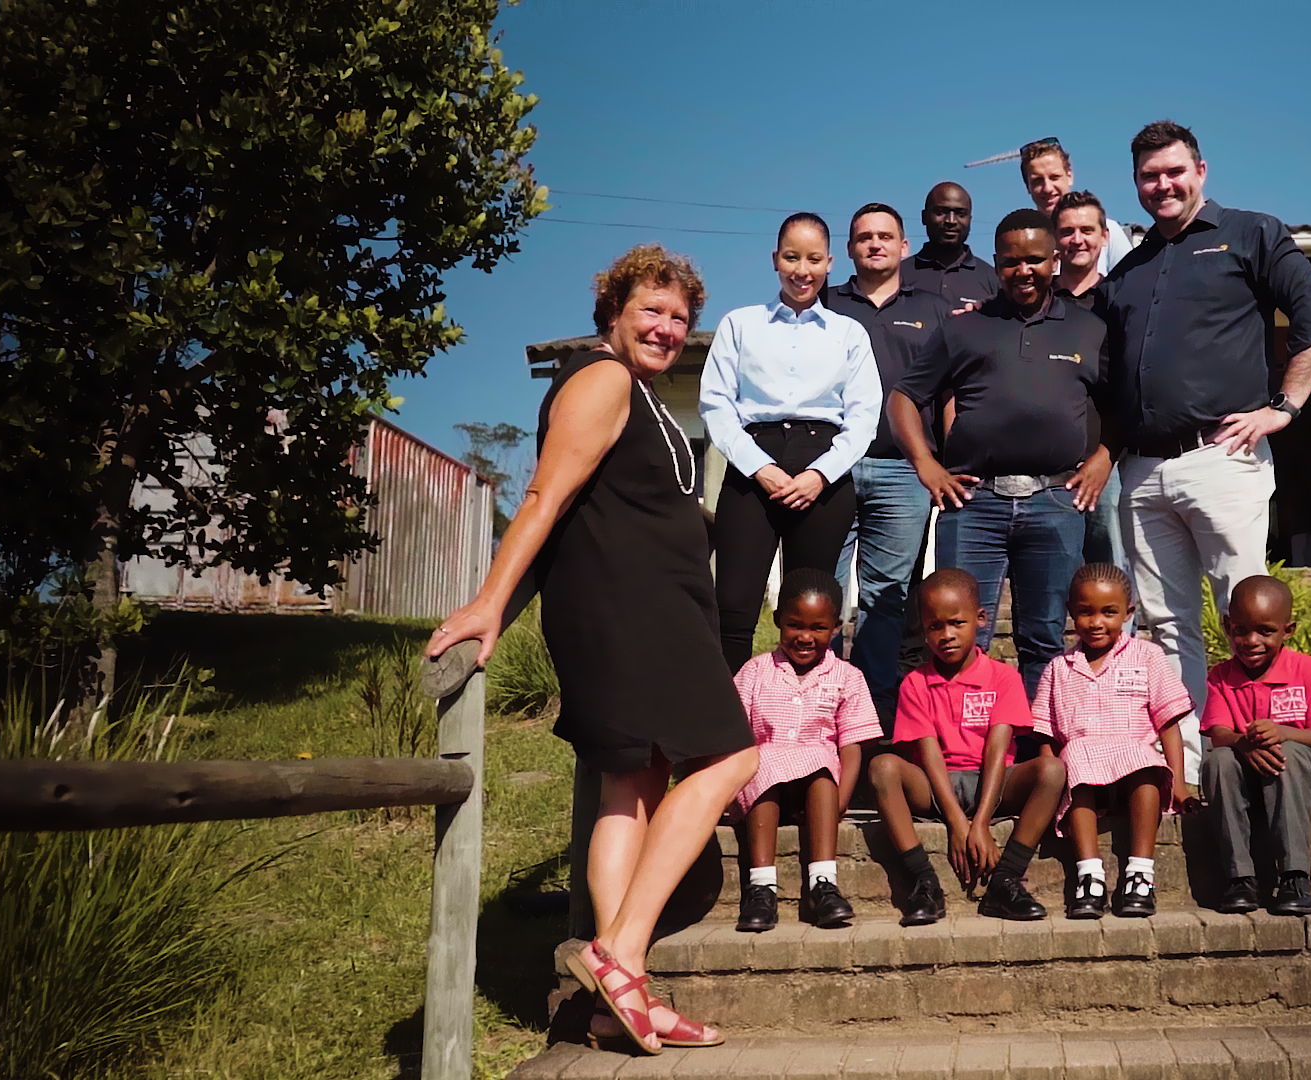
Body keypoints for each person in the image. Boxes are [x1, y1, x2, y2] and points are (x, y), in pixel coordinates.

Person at [428, 246, 759, 1057]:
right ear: (612, 310)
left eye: (680, 319)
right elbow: (545, 495)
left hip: (653, 606)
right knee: (729, 760)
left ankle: (620, 1002)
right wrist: (489, 602)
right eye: (652, 310)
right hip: (629, 610)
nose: (667, 328)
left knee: (631, 785)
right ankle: (620, 953)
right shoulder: (602, 379)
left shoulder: (638, 395)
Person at [1098, 119, 1311, 787]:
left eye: (1174, 171)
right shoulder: (1130, 270)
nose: (1163, 185)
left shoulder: (1252, 233)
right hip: (1143, 472)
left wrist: (1282, 409)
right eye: (1149, 176)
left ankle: (1271, 763)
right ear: (1137, 184)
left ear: (1200, 170)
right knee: (1167, 628)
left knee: (1247, 610)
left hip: (1222, 455)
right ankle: (1193, 772)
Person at [887, 208, 1113, 703]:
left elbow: (1123, 403)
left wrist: (1105, 456)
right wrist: (926, 464)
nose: (1024, 271)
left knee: (1045, 640)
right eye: (1012, 262)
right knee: (961, 641)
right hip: (973, 505)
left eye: (1035, 259)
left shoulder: (1088, 329)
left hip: (1056, 502)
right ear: (997, 264)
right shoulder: (964, 328)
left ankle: (1038, 759)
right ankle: (964, 763)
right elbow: (903, 397)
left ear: (1055, 260)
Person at [700, 212, 882, 672]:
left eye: (814, 259)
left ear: (830, 264)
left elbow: (864, 417)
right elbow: (716, 405)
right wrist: (761, 468)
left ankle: (809, 723)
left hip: (824, 472)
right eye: (791, 257)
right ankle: (730, 726)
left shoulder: (849, 333)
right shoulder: (740, 325)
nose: (802, 270)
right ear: (775, 260)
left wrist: (820, 474)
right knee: (735, 604)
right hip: (751, 470)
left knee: (811, 609)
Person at [864, 569, 1069, 922]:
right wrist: (958, 824)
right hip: (936, 785)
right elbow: (928, 756)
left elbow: (996, 751)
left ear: (981, 619)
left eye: (957, 623)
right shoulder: (915, 683)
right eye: (934, 626)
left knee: (1052, 770)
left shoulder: (1003, 677)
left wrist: (981, 823)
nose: (946, 635)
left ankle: (1005, 881)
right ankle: (924, 882)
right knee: (882, 767)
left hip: (993, 782)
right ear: (923, 630)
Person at [824, 203, 952, 723]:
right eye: (863, 237)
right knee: (823, 589)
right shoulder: (826, 305)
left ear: (904, 247)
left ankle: (871, 718)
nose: (875, 244)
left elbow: (951, 389)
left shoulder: (935, 309)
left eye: (885, 236)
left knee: (886, 599)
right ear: (850, 249)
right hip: (829, 471)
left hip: (902, 471)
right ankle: (817, 711)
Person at [1032, 564, 1192, 920]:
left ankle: (1140, 873)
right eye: (1086, 612)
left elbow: (1168, 725)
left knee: (1146, 764)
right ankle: (1089, 875)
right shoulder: (1058, 668)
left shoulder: (1147, 657)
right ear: (1072, 612)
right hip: (1082, 775)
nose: (1096, 622)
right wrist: (1049, 789)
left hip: (1134, 770)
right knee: (1076, 757)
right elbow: (1046, 736)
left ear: (1128, 613)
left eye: (1109, 612)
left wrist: (1178, 782)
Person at [730, 568, 882, 933]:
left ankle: (823, 884)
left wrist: (842, 800)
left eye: (817, 628)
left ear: (835, 627)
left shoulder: (848, 677)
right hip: (762, 787)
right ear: (777, 621)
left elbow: (851, 745)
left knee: (820, 764)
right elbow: (737, 740)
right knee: (762, 762)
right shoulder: (753, 673)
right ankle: (761, 887)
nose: (805, 637)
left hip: (819, 788)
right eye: (795, 625)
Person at [1200, 576, 1311, 916]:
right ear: (1227, 626)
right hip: (1246, 776)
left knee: (1291, 754)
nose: (1251, 641)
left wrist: (1283, 733)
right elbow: (1219, 733)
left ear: (1288, 630)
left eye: (1265, 631)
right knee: (1219, 761)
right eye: (1240, 630)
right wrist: (1245, 744)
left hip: (1299, 776)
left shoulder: (1306, 670)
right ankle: (1240, 878)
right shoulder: (1221, 676)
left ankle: (1294, 875)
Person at [1051, 190, 1125, 570]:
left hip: (1105, 464)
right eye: (1066, 231)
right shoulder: (1036, 300)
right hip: (1044, 467)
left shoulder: (1123, 300)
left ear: (1104, 236)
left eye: (1086, 230)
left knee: (1109, 574)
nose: (1077, 239)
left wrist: (1105, 457)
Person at [1020, 137, 1135, 275]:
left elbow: (1131, 286)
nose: (1047, 188)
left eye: (1054, 177)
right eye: (1037, 181)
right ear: (1027, 186)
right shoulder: (1024, 243)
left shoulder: (1108, 231)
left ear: (1069, 176)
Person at [905, 181, 998, 308]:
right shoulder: (899, 275)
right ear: (924, 217)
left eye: (960, 214)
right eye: (941, 212)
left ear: (970, 220)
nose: (951, 221)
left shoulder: (991, 278)